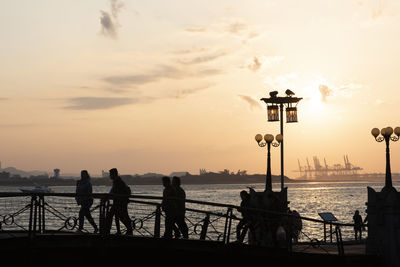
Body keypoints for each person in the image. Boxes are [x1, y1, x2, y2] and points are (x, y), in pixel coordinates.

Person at [105, 168, 133, 235]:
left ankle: (108, 231)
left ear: (113, 174)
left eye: (110, 174)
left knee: (116, 216)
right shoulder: (118, 181)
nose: (109, 176)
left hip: (120, 202)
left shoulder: (118, 182)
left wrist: (108, 197)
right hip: (120, 202)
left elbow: (115, 192)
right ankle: (125, 230)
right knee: (120, 216)